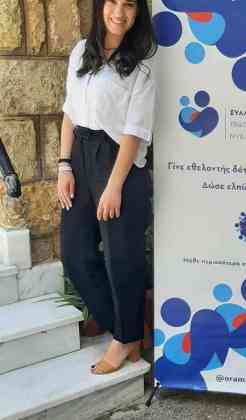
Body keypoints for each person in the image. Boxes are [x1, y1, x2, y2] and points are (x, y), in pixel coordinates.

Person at [57, 0, 157, 375]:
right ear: (100, 6)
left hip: (119, 162)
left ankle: (124, 338)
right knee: (75, 253)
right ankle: (127, 332)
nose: (119, 12)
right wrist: (64, 165)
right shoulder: (81, 52)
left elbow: (134, 131)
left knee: (121, 258)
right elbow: (69, 111)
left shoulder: (141, 68)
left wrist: (113, 187)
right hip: (80, 157)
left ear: (137, 13)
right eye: (112, 2)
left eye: (129, 5)